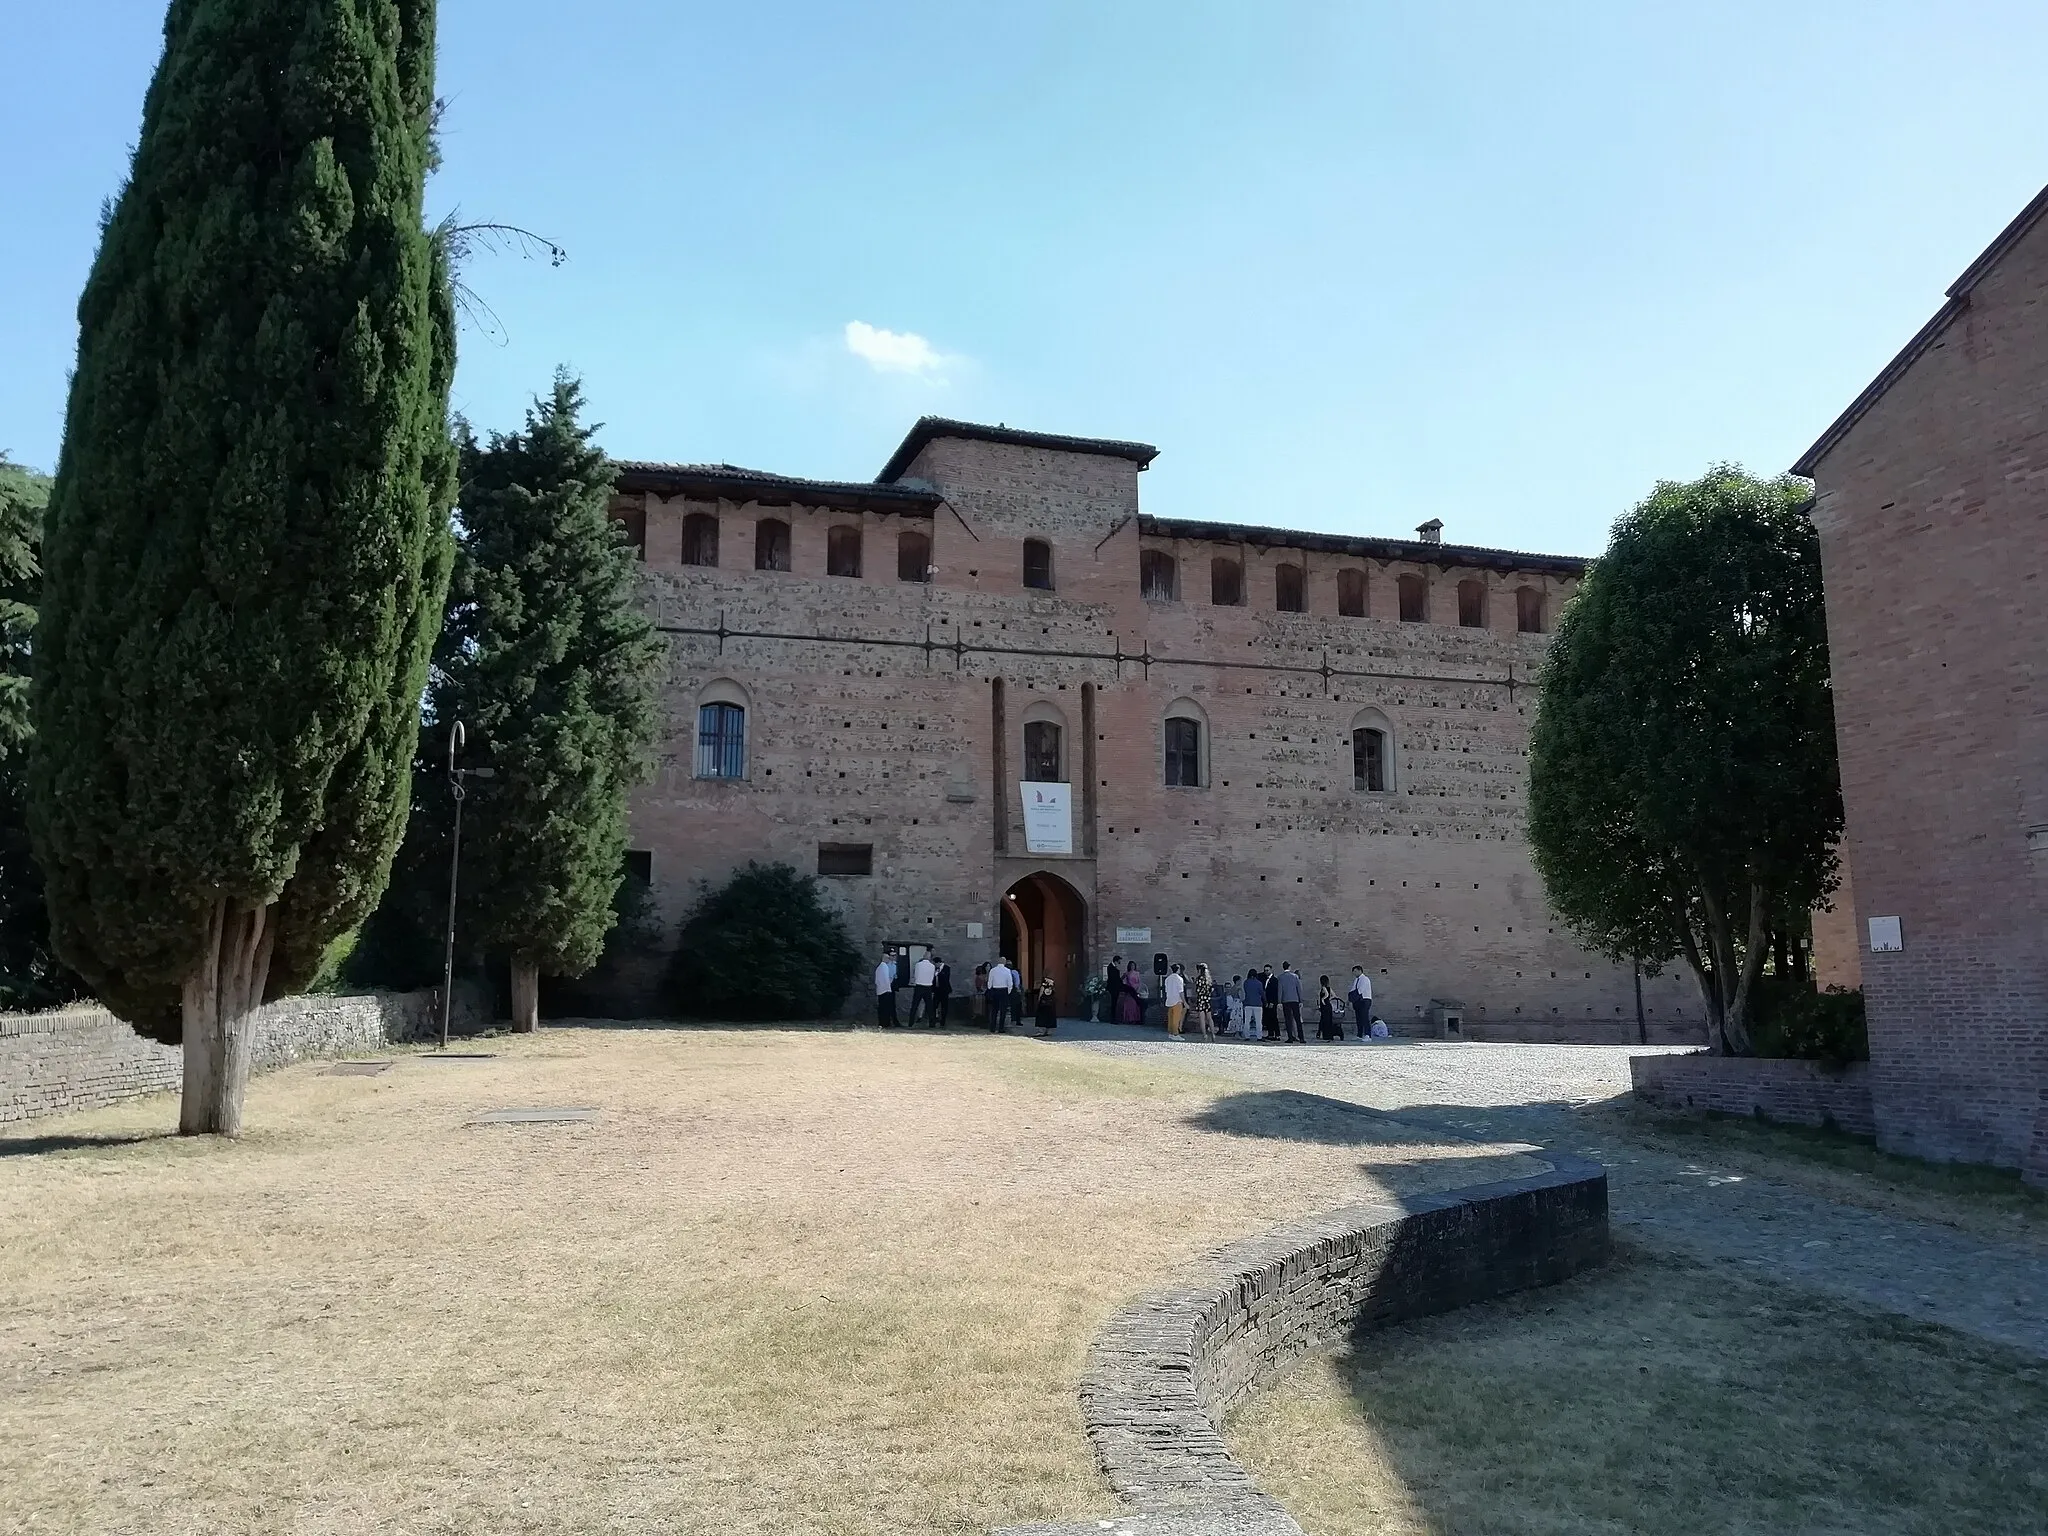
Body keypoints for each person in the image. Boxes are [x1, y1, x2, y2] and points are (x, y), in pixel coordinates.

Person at [1278, 963, 1305, 1043]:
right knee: (1297, 1020)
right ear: (1289, 967)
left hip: (1285, 1000)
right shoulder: (1295, 976)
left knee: (1288, 1020)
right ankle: (1301, 1038)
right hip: (1295, 1000)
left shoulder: (1280, 977)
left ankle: (1290, 1037)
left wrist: (1279, 1002)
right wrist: (1301, 1000)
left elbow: (1280, 990)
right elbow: (1299, 989)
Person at [986, 957, 1014, 1031]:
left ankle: (992, 1027)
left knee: (994, 1010)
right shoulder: (1007, 971)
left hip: (995, 990)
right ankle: (1001, 1028)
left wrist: (990, 989)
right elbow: (1010, 982)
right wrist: (1008, 991)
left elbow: (989, 981)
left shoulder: (993, 970)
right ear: (1004, 963)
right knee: (1003, 1010)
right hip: (1004, 990)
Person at [1348, 966, 1375, 1040]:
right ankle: (1359, 1034)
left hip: (1365, 1000)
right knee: (1358, 1018)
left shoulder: (1365, 979)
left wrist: (1353, 996)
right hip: (1358, 1001)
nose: (1354, 973)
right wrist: (1350, 998)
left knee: (1364, 1017)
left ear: (1360, 971)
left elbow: (1360, 990)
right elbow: (1353, 989)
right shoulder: (1356, 980)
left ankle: (1368, 1035)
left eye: (1355, 971)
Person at [909, 952, 936, 1026]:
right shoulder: (932, 966)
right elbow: (932, 977)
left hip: (919, 986)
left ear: (923, 956)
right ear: (930, 957)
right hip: (928, 986)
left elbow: (916, 975)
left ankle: (910, 1022)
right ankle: (932, 1023)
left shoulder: (918, 965)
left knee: (915, 1005)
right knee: (929, 1006)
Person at [873, 952, 898, 1028]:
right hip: (885, 990)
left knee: (882, 1007)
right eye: (887, 958)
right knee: (885, 1008)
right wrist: (888, 989)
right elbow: (886, 979)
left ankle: (883, 1022)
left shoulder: (880, 967)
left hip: (881, 989)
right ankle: (885, 1023)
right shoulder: (884, 967)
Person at [1239, 967, 1265, 1041]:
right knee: (1258, 1022)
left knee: (1247, 1021)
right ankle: (1259, 1036)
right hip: (1257, 1004)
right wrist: (1265, 1001)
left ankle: (1247, 1036)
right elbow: (1262, 993)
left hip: (1248, 1003)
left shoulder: (1246, 982)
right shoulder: (1259, 983)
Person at [1192, 963, 1215, 1040]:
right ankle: (1213, 1034)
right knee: (1209, 1018)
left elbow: (1197, 990)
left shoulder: (1199, 979)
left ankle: (1204, 1035)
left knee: (1202, 1019)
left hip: (1201, 1000)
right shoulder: (1209, 979)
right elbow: (1212, 989)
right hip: (1207, 1000)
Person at [1163, 962, 1186, 1037]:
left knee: (1171, 1017)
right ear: (1178, 969)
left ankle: (1170, 1032)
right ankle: (1176, 1033)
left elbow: (1166, 990)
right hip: (1177, 1000)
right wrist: (1184, 1002)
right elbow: (1181, 991)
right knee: (1176, 1018)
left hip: (1169, 1000)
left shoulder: (1167, 979)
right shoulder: (1179, 979)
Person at [1317, 975, 1341, 1040]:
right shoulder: (1329, 988)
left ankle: (1325, 1035)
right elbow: (1334, 995)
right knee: (1328, 1020)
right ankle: (1329, 1035)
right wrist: (1329, 999)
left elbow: (1326, 994)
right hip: (1328, 1005)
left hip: (1324, 1005)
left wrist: (1323, 999)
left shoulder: (1323, 988)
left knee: (1324, 1020)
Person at [932, 955, 953, 1027]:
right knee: (934, 1005)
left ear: (938, 963)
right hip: (937, 990)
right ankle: (934, 1020)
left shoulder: (946, 968)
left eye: (935, 964)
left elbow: (945, 978)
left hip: (944, 990)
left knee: (944, 1006)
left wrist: (938, 974)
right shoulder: (935, 969)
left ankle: (943, 1021)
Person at [1103, 955, 1124, 1023]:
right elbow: (1114, 979)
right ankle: (1113, 1018)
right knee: (1113, 1002)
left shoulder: (1113, 967)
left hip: (1115, 987)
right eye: (1119, 960)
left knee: (1114, 1002)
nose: (1120, 961)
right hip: (1114, 988)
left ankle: (1113, 1018)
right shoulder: (1111, 967)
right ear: (1116, 960)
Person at [1261, 966, 1280, 1040]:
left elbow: (1275, 992)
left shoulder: (1274, 980)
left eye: (1267, 970)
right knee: (1268, 1018)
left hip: (1272, 1002)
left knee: (1274, 1018)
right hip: (1266, 1002)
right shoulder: (1265, 979)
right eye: (1265, 970)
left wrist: (1272, 1002)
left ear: (1271, 970)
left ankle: (1277, 1034)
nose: (1266, 972)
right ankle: (1270, 1033)